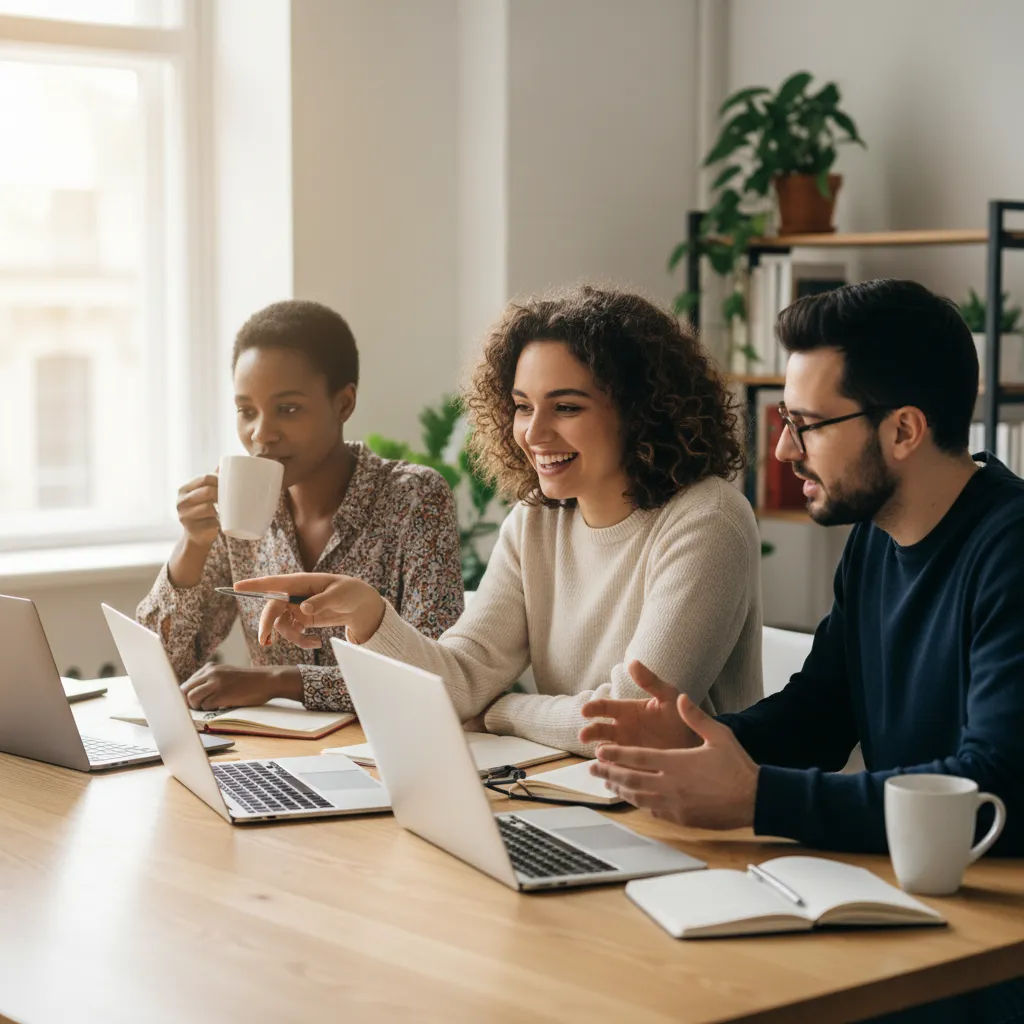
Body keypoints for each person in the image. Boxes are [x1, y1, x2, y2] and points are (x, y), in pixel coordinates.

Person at [580, 280, 1024, 1024]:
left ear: (904, 431)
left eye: (806, 424)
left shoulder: (1010, 552)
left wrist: (757, 798)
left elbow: (994, 785)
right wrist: (693, 741)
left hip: (989, 942)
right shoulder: (876, 538)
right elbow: (821, 713)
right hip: (909, 901)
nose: (783, 449)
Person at [234, 285, 764, 755]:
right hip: (571, 794)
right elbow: (463, 676)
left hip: (688, 817)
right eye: (523, 406)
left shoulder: (706, 519)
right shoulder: (535, 523)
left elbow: (631, 720)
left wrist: (503, 712)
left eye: (567, 407)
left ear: (641, 409)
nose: (534, 433)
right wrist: (370, 615)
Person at [137, 299, 464, 713]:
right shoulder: (245, 508)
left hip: (387, 758)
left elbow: (434, 678)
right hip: (276, 756)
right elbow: (161, 669)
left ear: (343, 403)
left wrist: (281, 682)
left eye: (287, 409)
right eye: (246, 411)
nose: (261, 434)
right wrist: (192, 544)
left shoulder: (414, 498)